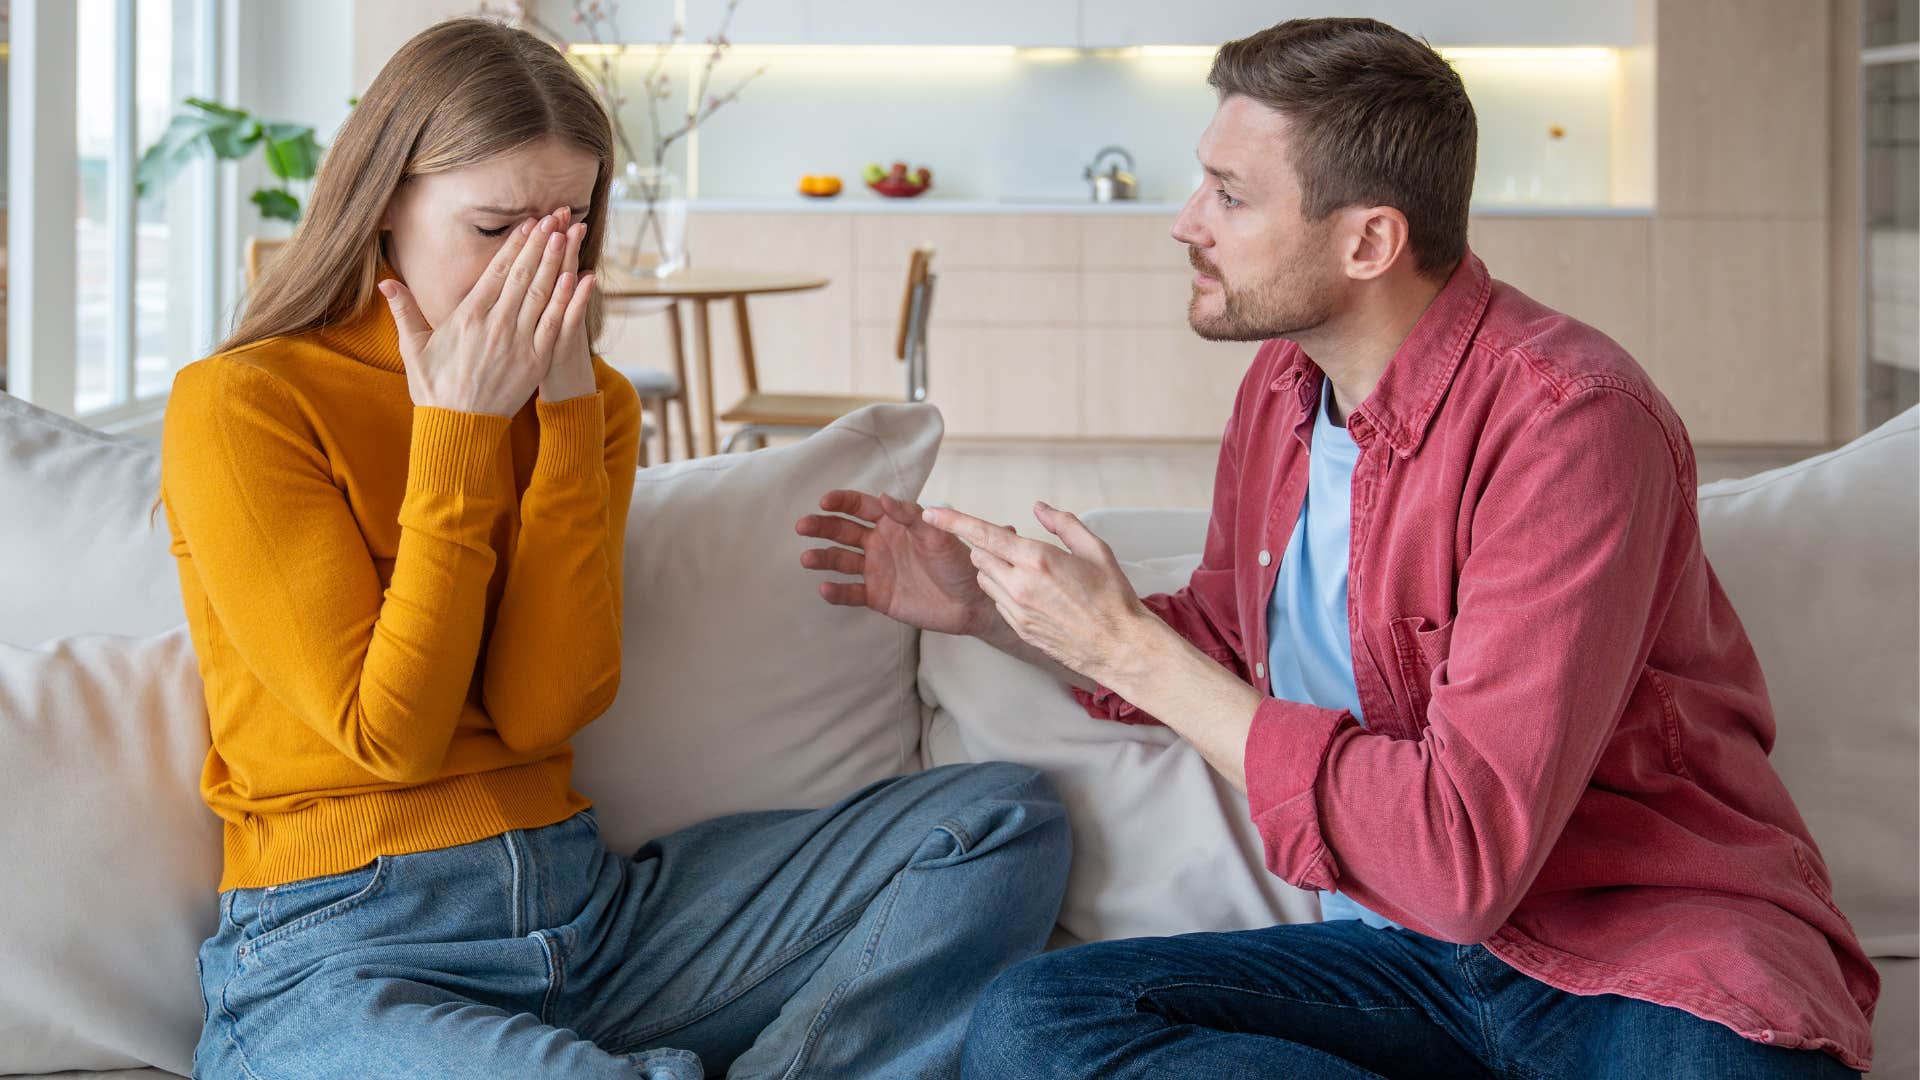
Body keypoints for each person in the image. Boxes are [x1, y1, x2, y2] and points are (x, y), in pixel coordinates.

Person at [797, 17, 1876, 1079]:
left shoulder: (1570, 423)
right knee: (1038, 1021)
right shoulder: (1283, 390)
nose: (1185, 223)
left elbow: (1460, 865)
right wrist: (992, 610)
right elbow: (1220, 646)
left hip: (1637, 955)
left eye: (1230, 194)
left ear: (1368, 241)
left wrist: (1129, 647)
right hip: (1404, 967)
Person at [162, 17, 1068, 1079]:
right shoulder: (247, 402)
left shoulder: (586, 405)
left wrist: (554, 427)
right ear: (383, 207)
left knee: (1001, 818)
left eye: (565, 230)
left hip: (591, 917)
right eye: (496, 228)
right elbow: (390, 736)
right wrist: (455, 430)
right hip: (346, 952)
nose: (535, 273)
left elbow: (546, 709)